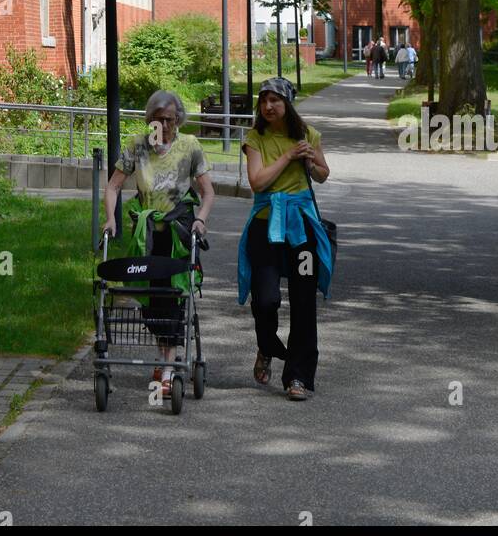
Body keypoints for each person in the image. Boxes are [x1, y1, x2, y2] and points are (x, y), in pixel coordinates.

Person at [103, 90, 215, 396]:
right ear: (148, 120)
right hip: (147, 235)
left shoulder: (189, 146)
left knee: (173, 297)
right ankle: (166, 358)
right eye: (156, 119)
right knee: (151, 299)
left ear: (177, 119)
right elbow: (113, 186)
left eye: (168, 119)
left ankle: (168, 370)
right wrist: (111, 219)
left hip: (178, 234)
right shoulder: (136, 147)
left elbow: (208, 193)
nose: (162, 126)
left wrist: (201, 219)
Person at [237, 77, 333, 401]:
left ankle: (299, 377)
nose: (268, 106)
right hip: (266, 226)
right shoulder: (255, 138)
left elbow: (323, 173)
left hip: (302, 229)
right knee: (265, 299)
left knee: (304, 302)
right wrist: (288, 156)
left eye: (275, 100)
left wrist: (308, 160)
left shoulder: (308, 133)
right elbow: (257, 182)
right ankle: (267, 346)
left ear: (288, 103)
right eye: (263, 101)